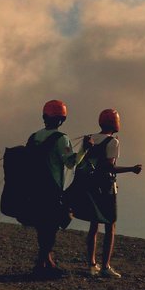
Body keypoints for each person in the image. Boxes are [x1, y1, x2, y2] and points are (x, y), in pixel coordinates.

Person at [30, 100, 90, 278]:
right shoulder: (61, 139)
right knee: (51, 226)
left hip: (35, 189)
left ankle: (45, 262)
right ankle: (43, 264)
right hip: (52, 189)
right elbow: (71, 163)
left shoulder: (34, 137)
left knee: (42, 226)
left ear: (44, 116)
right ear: (62, 120)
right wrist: (84, 149)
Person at [83, 109, 142, 278]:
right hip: (106, 186)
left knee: (94, 225)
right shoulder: (113, 142)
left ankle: (91, 264)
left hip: (91, 185)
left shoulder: (90, 139)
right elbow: (110, 166)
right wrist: (131, 169)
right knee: (110, 226)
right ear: (116, 124)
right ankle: (105, 266)